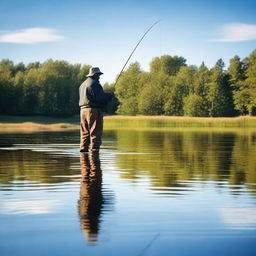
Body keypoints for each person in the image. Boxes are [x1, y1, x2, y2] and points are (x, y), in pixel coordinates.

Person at [79, 67, 112, 152]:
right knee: (95, 132)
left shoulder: (82, 85)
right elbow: (101, 98)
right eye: (98, 75)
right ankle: (94, 152)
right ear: (94, 75)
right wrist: (109, 96)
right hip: (93, 110)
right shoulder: (94, 84)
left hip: (83, 110)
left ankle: (83, 151)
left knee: (85, 132)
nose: (99, 76)